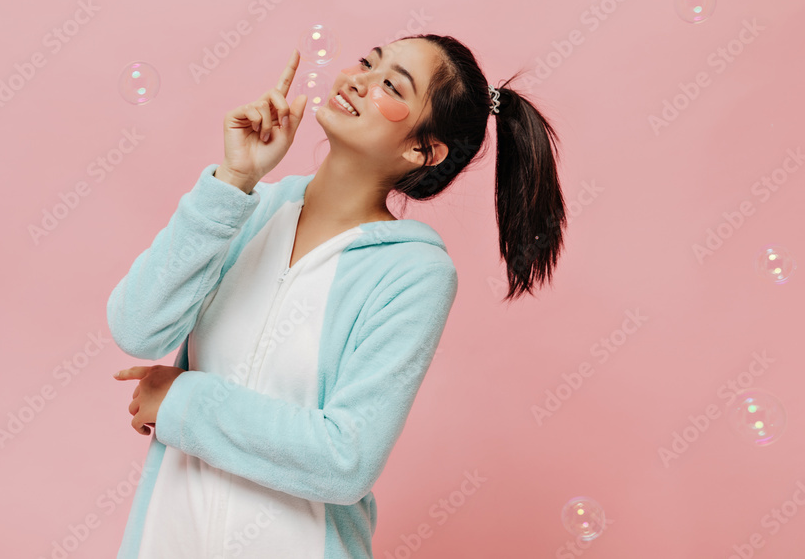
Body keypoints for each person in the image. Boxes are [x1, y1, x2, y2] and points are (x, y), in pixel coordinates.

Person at [107, 35, 568, 558]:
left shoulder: (413, 273)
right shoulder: (243, 209)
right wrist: (234, 180)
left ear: (422, 150)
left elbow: (345, 458)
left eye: (391, 84)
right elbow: (137, 328)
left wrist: (182, 401)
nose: (359, 78)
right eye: (369, 62)